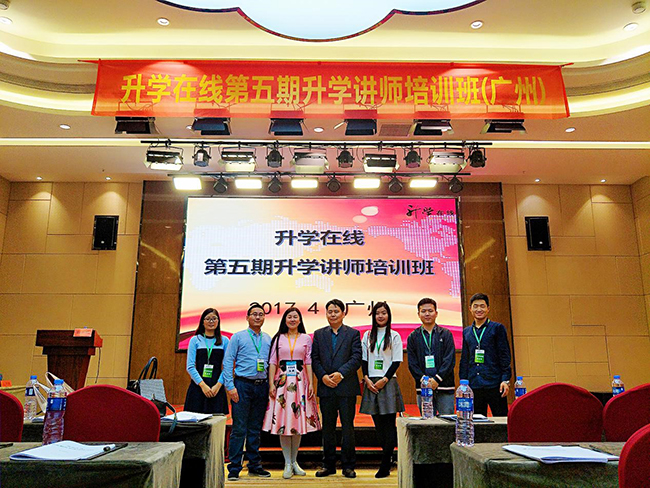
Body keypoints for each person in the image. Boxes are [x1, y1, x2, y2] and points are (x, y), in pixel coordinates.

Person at [262, 307, 321, 479]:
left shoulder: (306, 338)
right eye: (290, 317)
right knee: (284, 423)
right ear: (285, 320)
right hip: (282, 383)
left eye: (295, 317)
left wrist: (311, 383)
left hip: (300, 383)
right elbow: (273, 362)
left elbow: (308, 361)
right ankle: (287, 463)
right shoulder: (278, 338)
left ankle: (294, 461)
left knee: (297, 423)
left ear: (300, 320)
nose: (293, 319)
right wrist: (271, 384)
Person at [311, 299, 362, 479]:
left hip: (346, 387)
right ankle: (328, 465)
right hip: (326, 387)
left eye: (336, 311)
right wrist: (323, 376)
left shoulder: (353, 334)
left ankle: (348, 466)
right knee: (328, 428)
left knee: (348, 427)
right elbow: (314, 359)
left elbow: (356, 358)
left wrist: (341, 374)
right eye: (330, 311)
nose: (332, 314)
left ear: (343, 313)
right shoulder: (319, 334)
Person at [222, 303, 272, 481]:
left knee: (255, 428)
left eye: (261, 314)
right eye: (254, 314)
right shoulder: (238, 337)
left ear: (264, 318)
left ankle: (254, 465)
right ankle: (234, 467)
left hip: (261, 386)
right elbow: (228, 361)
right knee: (239, 428)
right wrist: (230, 387)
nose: (258, 317)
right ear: (247, 317)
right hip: (242, 385)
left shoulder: (268, 338)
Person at [360, 301, 405, 478]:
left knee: (389, 425)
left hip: (388, 382)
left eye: (383, 313)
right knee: (378, 425)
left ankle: (385, 463)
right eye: (377, 313)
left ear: (389, 315)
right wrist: (366, 378)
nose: (380, 316)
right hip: (371, 382)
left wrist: (384, 380)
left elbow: (396, 361)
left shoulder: (394, 335)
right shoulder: (367, 335)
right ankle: (387, 457)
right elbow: (364, 359)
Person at [459, 293, 512, 417]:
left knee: (501, 420)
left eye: (482, 306)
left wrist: (505, 379)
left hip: (495, 384)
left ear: (488, 308)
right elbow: (465, 359)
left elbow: (504, 356)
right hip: (474, 385)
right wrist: (463, 383)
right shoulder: (467, 332)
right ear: (470, 309)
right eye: (475, 306)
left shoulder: (497, 328)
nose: (479, 309)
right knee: (477, 422)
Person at [407, 298, 456, 416]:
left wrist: (436, 380)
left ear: (436, 313)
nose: (427, 314)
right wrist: (425, 381)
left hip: (445, 387)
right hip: (423, 388)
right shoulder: (413, 337)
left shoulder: (446, 334)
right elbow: (412, 364)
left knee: (447, 422)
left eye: (430, 311)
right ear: (418, 314)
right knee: (427, 422)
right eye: (423, 311)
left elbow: (449, 360)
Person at [183, 308, 230, 414]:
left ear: (218, 321)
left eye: (214, 319)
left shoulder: (225, 341)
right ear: (202, 322)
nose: (211, 321)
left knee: (217, 421)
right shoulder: (195, 340)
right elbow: (190, 367)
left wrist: (218, 385)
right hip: (198, 387)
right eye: (208, 319)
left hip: (216, 388)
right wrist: (203, 385)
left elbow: (227, 367)